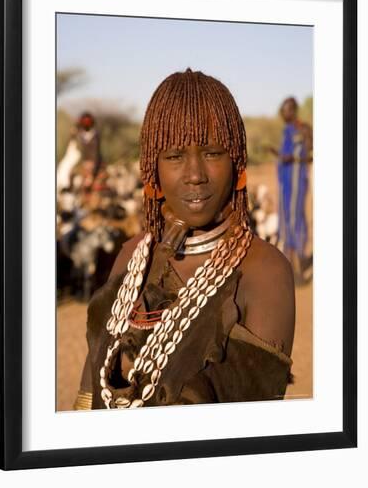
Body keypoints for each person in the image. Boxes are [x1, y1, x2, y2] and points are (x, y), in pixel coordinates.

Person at [73, 69, 295, 411]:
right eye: (175, 157)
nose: (195, 175)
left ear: (236, 162)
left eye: (213, 153)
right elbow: (88, 396)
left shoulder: (264, 272)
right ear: (153, 169)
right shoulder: (132, 257)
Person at [270, 97, 313, 284]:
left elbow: (310, 155)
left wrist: (292, 159)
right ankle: (296, 264)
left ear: (293, 110)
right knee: (287, 219)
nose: (282, 112)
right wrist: (279, 155)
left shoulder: (302, 129)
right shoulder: (286, 130)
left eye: (285, 109)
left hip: (296, 181)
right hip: (286, 182)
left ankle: (297, 269)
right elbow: (287, 155)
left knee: (294, 221)